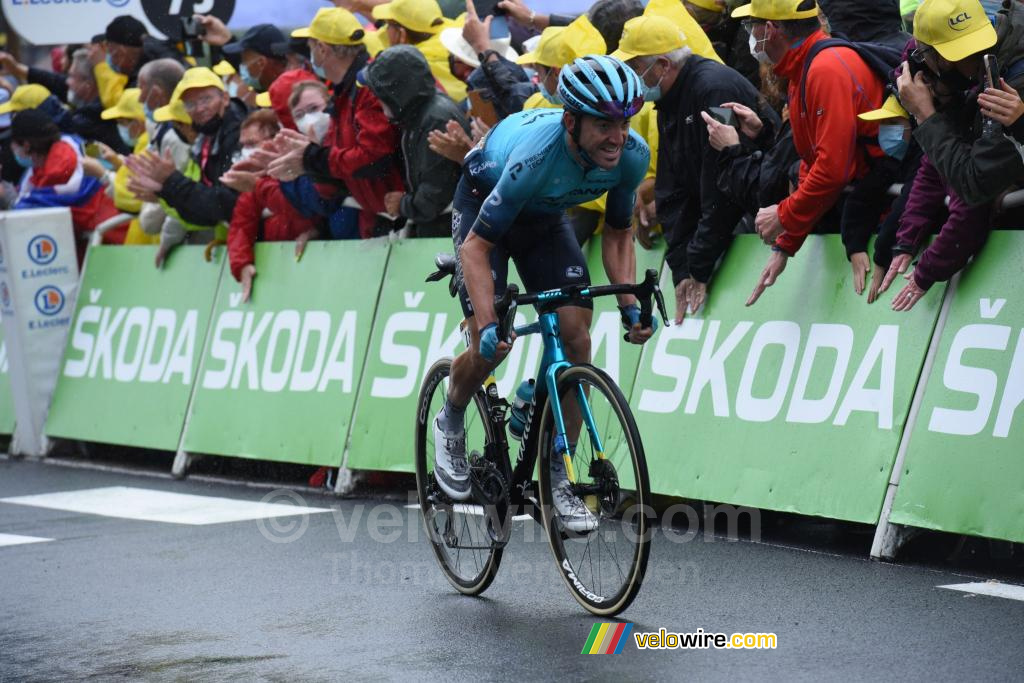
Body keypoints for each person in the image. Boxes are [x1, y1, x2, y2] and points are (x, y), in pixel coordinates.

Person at [432, 55, 655, 532]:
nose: (617, 137)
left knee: (576, 338)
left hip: (544, 216)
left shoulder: (632, 155)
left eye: (624, 122)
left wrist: (630, 304)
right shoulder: (536, 156)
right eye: (604, 125)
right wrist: (489, 324)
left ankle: (559, 474)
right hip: (485, 206)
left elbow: (618, 232)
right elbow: (476, 247)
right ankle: (450, 415)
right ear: (571, 121)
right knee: (488, 347)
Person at [616, 14, 775, 321]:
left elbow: (722, 189)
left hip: (755, 217)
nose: (629, 78)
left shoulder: (714, 90)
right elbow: (671, 190)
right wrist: (681, 269)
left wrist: (698, 266)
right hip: (717, 226)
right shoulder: (668, 98)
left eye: (634, 68)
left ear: (663, 65)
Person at [733, 0, 888, 306]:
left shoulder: (824, 68)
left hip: (880, 213)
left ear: (772, 29)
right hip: (863, 208)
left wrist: (784, 215)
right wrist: (786, 243)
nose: (750, 35)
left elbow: (832, 169)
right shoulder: (801, 69)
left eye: (753, 26)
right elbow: (812, 163)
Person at [267, 8, 404, 238]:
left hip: (401, 218)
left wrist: (312, 157)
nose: (310, 60)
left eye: (310, 49)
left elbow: (373, 158)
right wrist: (309, 164)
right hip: (381, 221)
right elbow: (335, 183)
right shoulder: (344, 94)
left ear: (322, 49)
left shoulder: (367, 88)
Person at [896, 0, 1024, 208]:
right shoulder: (1006, 46)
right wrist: (947, 101)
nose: (972, 56)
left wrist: (926, 115)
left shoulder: (1010, 85)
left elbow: (973, 183)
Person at [362, 45, 468, 237]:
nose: (378, 101)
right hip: (443, 227)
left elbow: (435, 195)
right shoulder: (417, 115)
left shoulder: (435, 120)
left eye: (380, 94)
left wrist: (403, 205)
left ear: (397, 93)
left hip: (447, 231)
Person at [125, 67, 246, 229]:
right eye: (190, 104)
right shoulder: (206, 139)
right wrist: (165, 190)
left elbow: (229, 205)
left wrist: (172, 181)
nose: (199, 108)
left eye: (205, 99)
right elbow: (207, 217)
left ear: (225, 98)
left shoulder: (242, 134)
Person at [227, 110, 321, 302]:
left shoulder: (299, 169)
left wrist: (319, 230)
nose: (246, 151)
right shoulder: (253, 181)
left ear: (276, 138)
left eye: (252, 143)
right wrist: (242, 265)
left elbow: (308, 206)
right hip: (282, 272)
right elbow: (240, 226)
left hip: (316, 265)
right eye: (243, 145)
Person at [10, 109, 119, 261]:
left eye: (13, 143)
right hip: (121, 228)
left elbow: (17, 216)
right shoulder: (77, 142)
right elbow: (112, 162)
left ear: (26, 145)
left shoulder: (48, 189)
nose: (11, 148)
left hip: (107, 248)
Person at [373, 0, 468, 102]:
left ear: (402, 34)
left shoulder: (416, 66)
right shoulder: (459, 31)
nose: (385, 30)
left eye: (388, 25)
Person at [223, 24, 288, 94]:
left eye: (244, 61)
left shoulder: (289, 98)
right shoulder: (281, 90)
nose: (241, 66)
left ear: (261, 63)